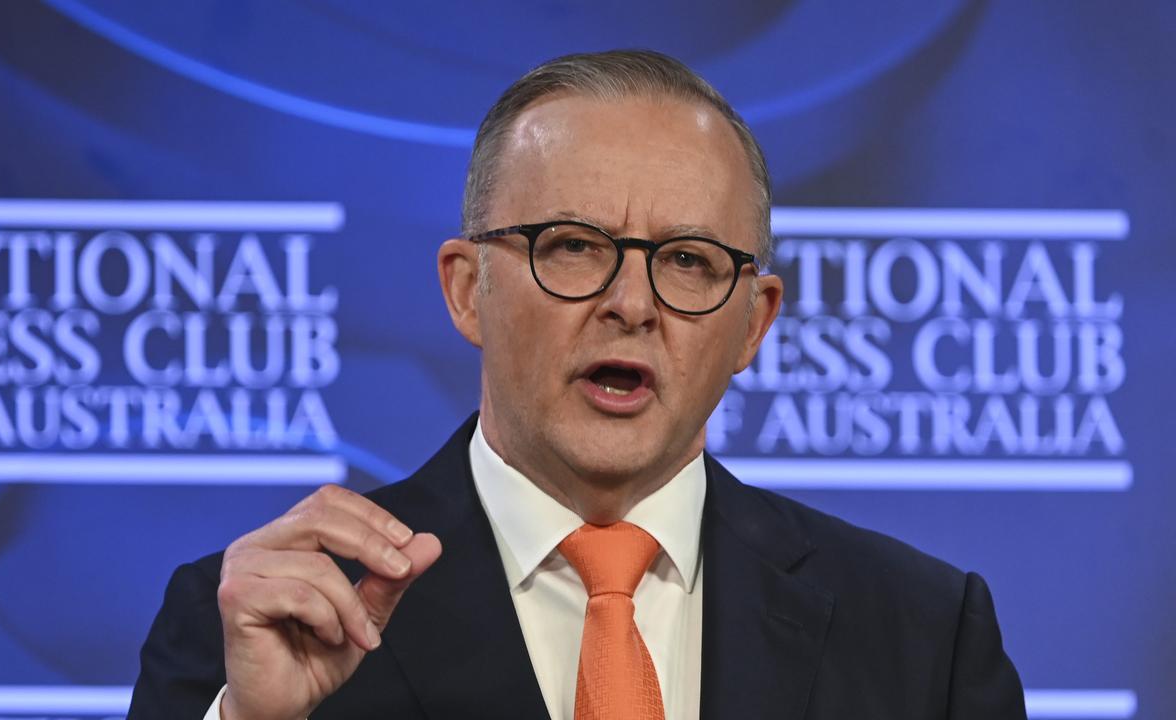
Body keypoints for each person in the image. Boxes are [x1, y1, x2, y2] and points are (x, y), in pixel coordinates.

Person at [128, 50, 1026, 720]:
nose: (631, 303)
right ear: (465, 288)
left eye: (688, 260)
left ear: (754, 322)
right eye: (574, 246)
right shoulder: (261, 626)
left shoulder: (921, 636)